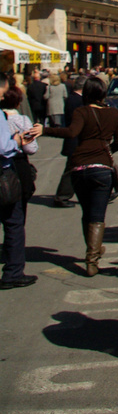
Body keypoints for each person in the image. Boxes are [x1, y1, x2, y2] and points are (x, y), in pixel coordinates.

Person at [43, 77, 118, 276]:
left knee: (87, 213)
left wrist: (45, 130)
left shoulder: (81, 112)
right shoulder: (113, 114)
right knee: (97, 216)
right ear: (104, 93)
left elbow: (71, 132)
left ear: (86, 94)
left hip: (79, 167)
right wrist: (106, 152)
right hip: (102, 168)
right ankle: (92, 259)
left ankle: (93, 248)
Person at [0, 72, 43, 289]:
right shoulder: (8, 117)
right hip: (7, 172)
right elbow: (9, 147)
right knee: (14, 223)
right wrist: (16, 140)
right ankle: (13, 271)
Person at [52, 74, 86, 207]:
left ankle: (100, 191)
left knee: (82, 168)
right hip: (75, 141)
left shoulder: (74, 98)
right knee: (71, 170)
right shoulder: (76, 100)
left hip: (76, 140)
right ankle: (62, 196)